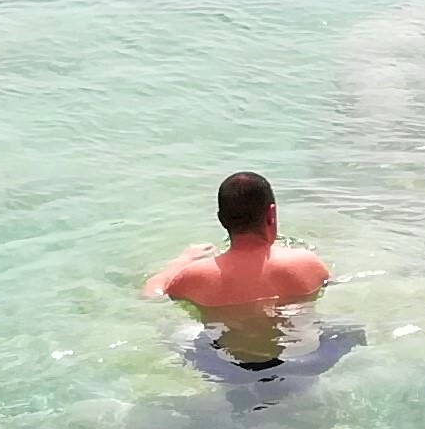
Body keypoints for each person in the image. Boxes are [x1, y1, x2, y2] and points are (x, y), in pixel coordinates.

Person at [146, 170, 354, 401]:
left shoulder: (196, 276)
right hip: (304, 361)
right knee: (344, 328)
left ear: (221, 219)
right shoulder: (306, 263)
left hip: (226, 369)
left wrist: (182, 260)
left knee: (174, 330)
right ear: (271, 215)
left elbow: (150, 294)